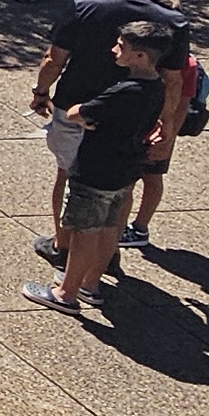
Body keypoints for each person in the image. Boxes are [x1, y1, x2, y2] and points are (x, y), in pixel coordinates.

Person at [32, 0, 188, 248]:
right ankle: (107, 250)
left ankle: (62, 245)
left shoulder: (84, 7)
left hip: (77, 105)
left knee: (67, 173)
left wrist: (41, 92)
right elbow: (173, 80)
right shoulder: (174, 22)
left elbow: (54, 59)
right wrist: (165, 122)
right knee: (121, 183)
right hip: (135, 113)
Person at [27, 18, 170, 318]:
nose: (114, 49)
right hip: (126, 168)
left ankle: (65, 293)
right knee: (109, 227)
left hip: (96, 168)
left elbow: (79, 112)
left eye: (122, 46)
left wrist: (85, 117)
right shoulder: (157, 85)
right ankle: (90, 284)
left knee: (84, 229)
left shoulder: (125, 90)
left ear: (141, 55)